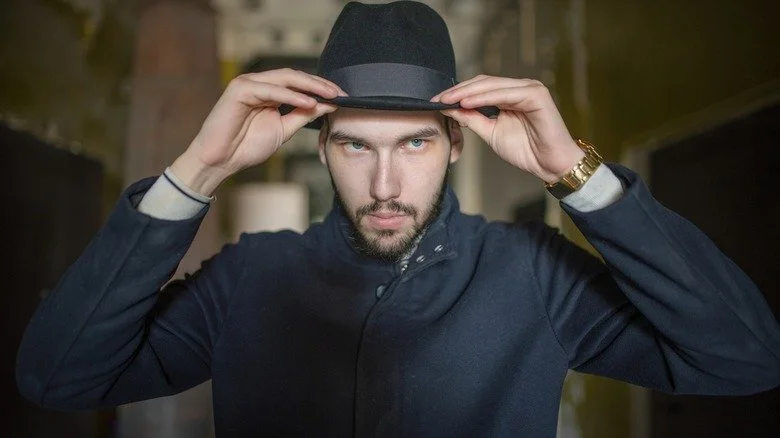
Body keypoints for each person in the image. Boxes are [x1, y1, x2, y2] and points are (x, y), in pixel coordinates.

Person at [16, 1, 780, 437]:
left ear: (453, 143)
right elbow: (57, 376)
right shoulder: (252, 276)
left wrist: (572, 174)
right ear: (323, 148)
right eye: (355, 146)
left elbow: (744, 356)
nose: (385, 183)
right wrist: (198, 171)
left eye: (413, 142)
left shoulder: (534, 272)